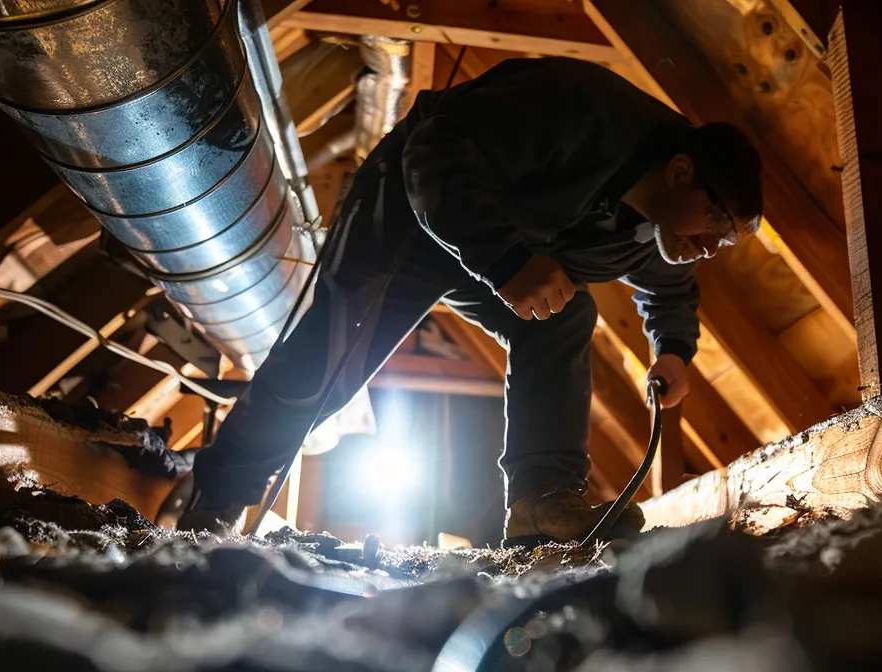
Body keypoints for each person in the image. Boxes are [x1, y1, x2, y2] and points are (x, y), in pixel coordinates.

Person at [177, 57, 763, 543]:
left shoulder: (663, 233)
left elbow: (670, 290)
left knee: (565, 316)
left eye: (728, 240)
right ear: (681, 171)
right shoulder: (582, 110)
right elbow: (435, 150)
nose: (712, 248)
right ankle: (215, 505)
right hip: (410, 209)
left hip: (500, 253)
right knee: (330, 364)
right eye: (716, 224)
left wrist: (674, 351)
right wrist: (506, 260)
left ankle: (543, 503)